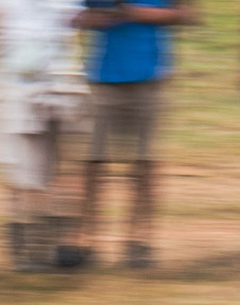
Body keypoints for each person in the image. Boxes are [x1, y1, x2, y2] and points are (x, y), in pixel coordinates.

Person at [75, 0, 195, 270]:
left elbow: (187, 14)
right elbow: (76, 16)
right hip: (102, 76)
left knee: (145, 162)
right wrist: (102, 17)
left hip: (150, 76)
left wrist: (133, 12)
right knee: (94, 161)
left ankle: (139, 240)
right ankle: (88, 239)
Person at [0, 0, 92, 271]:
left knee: (56, 166)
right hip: (19, 82)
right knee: (25, 166)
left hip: (61, 80)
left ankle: (49, 244)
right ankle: (28, 247)